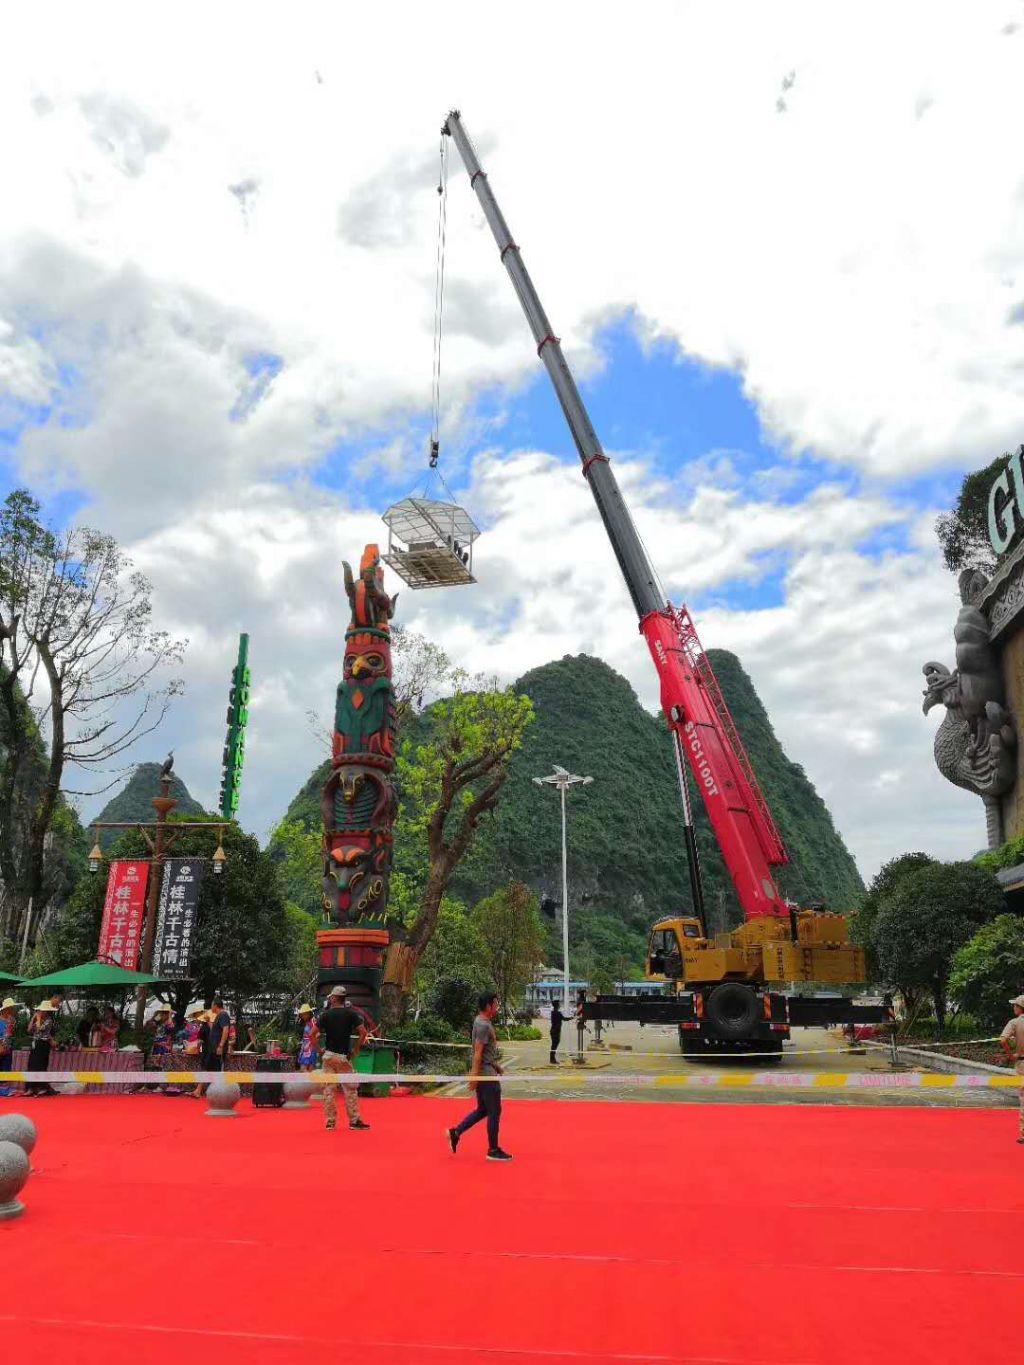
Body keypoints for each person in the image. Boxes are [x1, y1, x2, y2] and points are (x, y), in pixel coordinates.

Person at [446, 991, 512, 1162]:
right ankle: (493, 1149)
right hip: (486, 1077)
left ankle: (456, 1132)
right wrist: (474, 1077)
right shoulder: (483, 1024)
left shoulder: (481, 1021)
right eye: (495, 1004)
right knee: (494, 1111)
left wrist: (495, 1064)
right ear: (488, 1006)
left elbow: (483, 1053)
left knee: (483, 1110)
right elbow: (477, 1052)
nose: (497, 1007)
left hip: (487, 1070)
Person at [317, 985, 370, 1132]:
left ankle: (330, 1122)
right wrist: (355, 1049)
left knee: (328, 1090)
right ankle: (354, 1120)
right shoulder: (351, 1014)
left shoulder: (325, 1015)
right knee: (350, 1089)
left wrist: (319, 1051)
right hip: (343, 1057)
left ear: (334, 998)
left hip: (328, 1056)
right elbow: (363, 1033)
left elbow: (311, 1035)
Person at [998, 993, 1024, 1144]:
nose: (1013, 1007)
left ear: (1020, 1008)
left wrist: (1010, 1054)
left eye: (1015, 1005)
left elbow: (1003, 1039)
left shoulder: (1015, 1023)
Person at [25, 1001, 58, 1096]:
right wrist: (33, 1018)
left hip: (43, 1044)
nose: (40, 1012)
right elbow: (29, 1029)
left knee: (40, 1065)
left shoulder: (49, 1020)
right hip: (35, 1044)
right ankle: (30, 1087)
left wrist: (38, 1018)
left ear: (46, 1011)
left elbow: (39, 1029)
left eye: (42, 1011)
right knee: (32, 1065)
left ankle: (41, 1087)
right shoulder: (38, 1019)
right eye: (40, 1010)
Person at [0, 998, 18, 1096]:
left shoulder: (12, 1020)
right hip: (0, 1046)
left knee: (6, 1068)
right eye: (11, 1008)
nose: (12, 1010)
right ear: (5, 1009)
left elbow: (10, 1033)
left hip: (7, 1047)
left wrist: (10, 1025)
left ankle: (4, 1090)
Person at [297, 1004, 320, 1071]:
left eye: (305, 1014)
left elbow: (318, 1034)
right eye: (302, 1014)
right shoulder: (306, 1022)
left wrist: (309, 1044)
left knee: (305, 1068)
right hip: (306, 1046)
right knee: (308, 1069)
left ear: (309, 1014)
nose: (303, 1016)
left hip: (310, 1047)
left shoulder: (312, 1021)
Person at [549, 1001, 570, 1065]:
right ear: (557, 1006)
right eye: (559, 1004)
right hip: (556, 1031)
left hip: (553, 1030)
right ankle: (552, 1059)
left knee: (554, 1045)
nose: (559, 1005)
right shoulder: (557, 1013)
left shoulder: (553, 1012)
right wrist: (572, 1017)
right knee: (554, 1045)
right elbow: (564, 1019)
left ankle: (552, 1058)